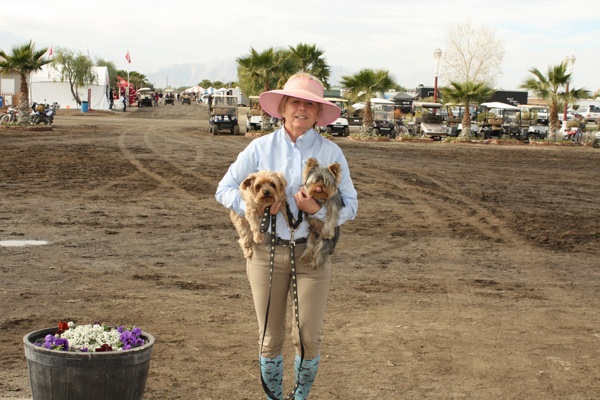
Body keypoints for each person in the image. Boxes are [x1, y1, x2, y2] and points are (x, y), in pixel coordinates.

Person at [215, 73, 358, 399]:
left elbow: (351, 205)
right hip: (266, 253)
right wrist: (257, 204)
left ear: (319, 113)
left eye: (311, 103)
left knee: (308, 337)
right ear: (283, 106)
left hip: (313, 255)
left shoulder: (332, 153)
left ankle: (300, 397)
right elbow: (223, 190)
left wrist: (316, 211)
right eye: (296, 101)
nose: (303, 108)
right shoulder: (259, 148)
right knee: (270, 338)